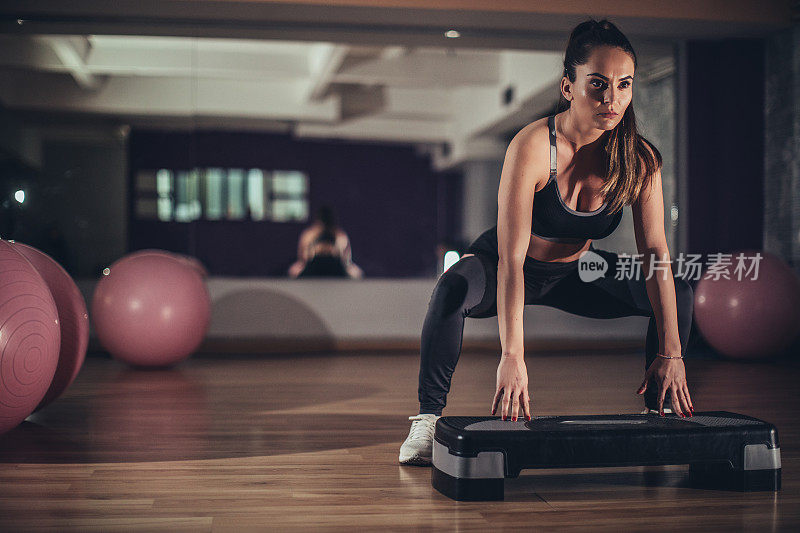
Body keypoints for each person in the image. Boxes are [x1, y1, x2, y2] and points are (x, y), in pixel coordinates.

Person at [399, 19, 695, 466]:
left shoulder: (639, 159)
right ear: (568, 86)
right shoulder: (534, 145)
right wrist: (512, 356)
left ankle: (661, 410)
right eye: (597, 84)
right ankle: (426, 420)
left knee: (678, 290)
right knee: (452, 287)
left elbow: (654, 254)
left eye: (623, 85)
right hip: (506, 263)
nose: (611, 98)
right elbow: (512, 260)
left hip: (578, 268)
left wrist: (671, 352)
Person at [288, 205, 364, 279]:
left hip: (335, 267)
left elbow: (346, 259)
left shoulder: (339, 236)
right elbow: (303, 257)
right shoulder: (309, 235)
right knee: (293, 271)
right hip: (313, 267)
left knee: (356, 273)